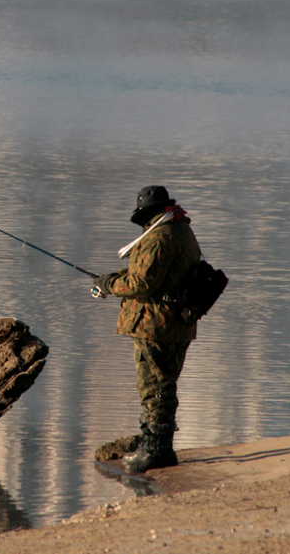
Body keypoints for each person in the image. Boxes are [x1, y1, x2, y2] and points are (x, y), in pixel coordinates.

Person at [91, 186, 201, 474]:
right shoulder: (181, 231)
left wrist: (109, 285)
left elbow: (142, 284)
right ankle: (154, 440)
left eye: (143, 218)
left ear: (148, 214)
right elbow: (154, 275)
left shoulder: (159, 238)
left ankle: (157, 450)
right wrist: (112, 279)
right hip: (177, 322)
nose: (143, 224)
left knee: (155, 386)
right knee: (164, 383)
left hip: (154, 324)